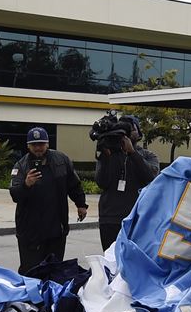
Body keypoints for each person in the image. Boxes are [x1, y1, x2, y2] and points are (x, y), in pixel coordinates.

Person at [9, 126, 87, 274]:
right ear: (28, 146)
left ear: (47, 144)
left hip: (56, 228)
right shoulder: (20, 166)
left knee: (54, 270)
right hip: (30, 231)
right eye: (34, 144)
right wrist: (26, 185)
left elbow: (74, 184)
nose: (38, 148)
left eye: (41, 144)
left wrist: (81, 204)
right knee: (31, 272)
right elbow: (15, 195)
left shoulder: (61, 160)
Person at [93, 114, 158, 250]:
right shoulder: (109, 152)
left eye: (131, 128)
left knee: (134, 261)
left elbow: (150, 179)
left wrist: (132, 153)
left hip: (137, 217)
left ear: (139, 133)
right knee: (111, 261)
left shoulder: (148, 155)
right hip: (110, 217)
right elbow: (102, 182)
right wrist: (106, 156)